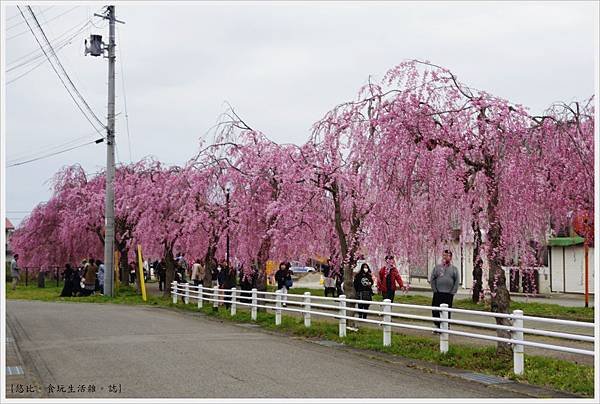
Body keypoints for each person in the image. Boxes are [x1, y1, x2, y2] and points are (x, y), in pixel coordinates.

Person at [430, 249, 460, 329]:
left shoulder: (454, 269)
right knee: (436, 309)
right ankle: (437, 325)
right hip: (438, 293)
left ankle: (446, 326)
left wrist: (453, 292)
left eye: (447, 256)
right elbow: (432, 279)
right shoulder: (437, 268)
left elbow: (456, 281)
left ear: (450, 257)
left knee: (447, 311)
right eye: (443, 255)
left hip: (448, 294)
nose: (445, 257)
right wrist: (435, 290)